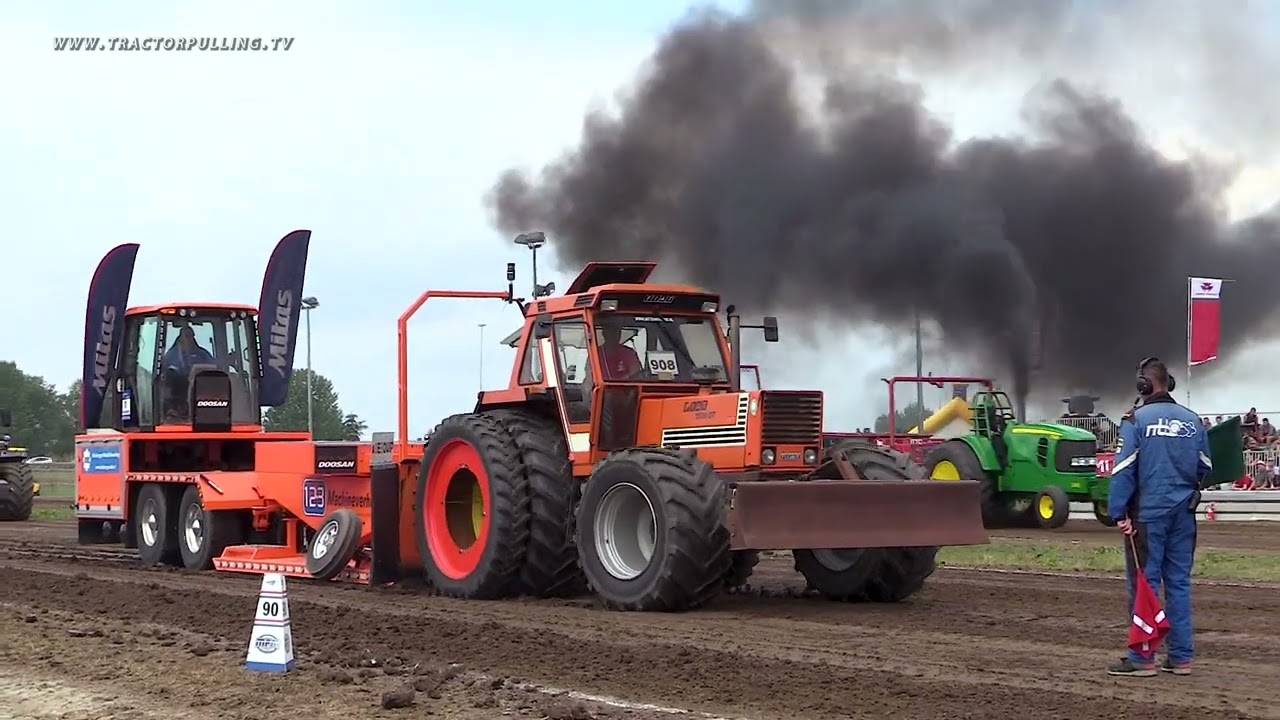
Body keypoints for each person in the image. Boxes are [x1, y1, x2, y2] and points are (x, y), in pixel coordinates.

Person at [1106, 357, 1210, 677]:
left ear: (1143, 386)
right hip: (1184, 515)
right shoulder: (1193, 421)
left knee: (1145, 586)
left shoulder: (1136, 420)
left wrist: (1117, 512)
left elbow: (1123, 469)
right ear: (1170, 383)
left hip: (1147, 518)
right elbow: (1205, 468)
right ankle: (1180, 657)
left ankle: (1142, 657)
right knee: (1178, 583)